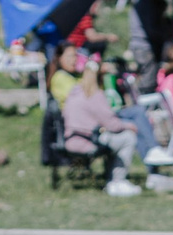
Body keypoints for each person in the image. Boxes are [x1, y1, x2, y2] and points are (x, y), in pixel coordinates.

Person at [59, 61, 147, 194]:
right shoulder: (95, 95)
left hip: (71, 139)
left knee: (112, 139)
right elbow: (113, 125)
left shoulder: (74, 93)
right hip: (87, 141)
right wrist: (130, 126)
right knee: (127, 137)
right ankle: (117, 180)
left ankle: (111, 177)